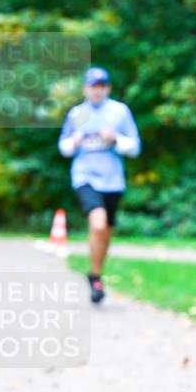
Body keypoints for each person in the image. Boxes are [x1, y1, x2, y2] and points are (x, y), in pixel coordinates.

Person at [58, 66, 140, 303]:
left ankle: (95, 274)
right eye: (93, 86)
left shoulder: (119, 112)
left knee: (106, 232)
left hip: (112, 179)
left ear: (108, 88)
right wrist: (73, 142)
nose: (97, 91)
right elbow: (63, 147)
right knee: (98, 223)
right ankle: (95, 278)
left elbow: (134, 147)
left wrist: (115, 139)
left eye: (101, 86)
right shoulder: (77, 114)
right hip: (85, 176)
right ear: (85, 89)